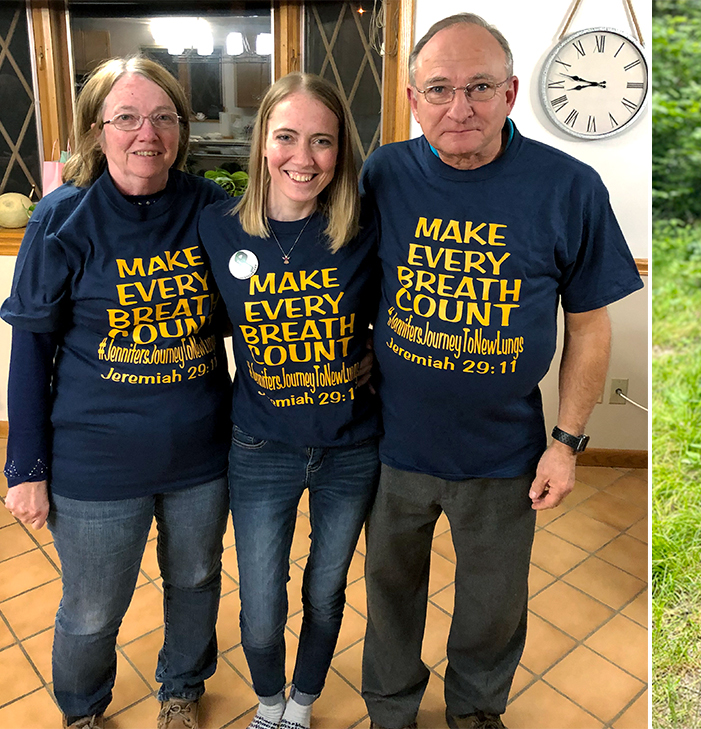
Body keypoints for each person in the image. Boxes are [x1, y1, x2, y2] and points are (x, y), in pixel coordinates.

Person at [357, 12, 643, 729]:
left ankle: (476, 715)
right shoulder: (382, 173)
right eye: (441, 89)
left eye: (480, 87)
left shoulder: (569, 186)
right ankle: (390, 712)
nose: (461, 108)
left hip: (504, 454)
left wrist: (568, 440)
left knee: (491, 605)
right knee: (390, 595)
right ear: (413, 95)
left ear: (512, 92)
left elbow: (588, 322)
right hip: (391, 446)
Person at [1, 56, 230, 729]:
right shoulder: (61, 216)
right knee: (93, 607)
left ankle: (182, 689)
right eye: (126, 118)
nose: (146, 134)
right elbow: (31, 349)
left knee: (195, 583)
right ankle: (83, 710)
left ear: (182, 130)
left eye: (163, 118)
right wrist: (26, 467)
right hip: (95, 462)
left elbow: (258, 304)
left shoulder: (212, 207)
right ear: (96, 130)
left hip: (201, 453)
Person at [198, 72, 379, 729]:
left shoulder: (364, 226)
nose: (304, 157)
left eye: (323, 140)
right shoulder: (217, 227)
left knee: (326, 593)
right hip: (260, 445)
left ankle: (302, 705)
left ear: (341, 151)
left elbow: (399, 312)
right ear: (262, 145)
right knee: (262, 606)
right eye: (287, 137)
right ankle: (269, 702)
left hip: (352, 448)